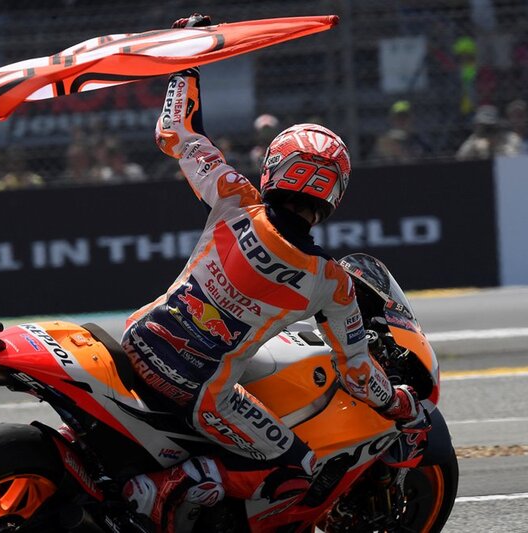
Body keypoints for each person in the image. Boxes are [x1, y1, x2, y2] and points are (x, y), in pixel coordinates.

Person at [120, 14, 428, 532]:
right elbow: (356, 371)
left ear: (274, 168)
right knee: (297, 468)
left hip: (137, 339)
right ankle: (161, 490)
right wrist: (399, 403)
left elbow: (174, 132)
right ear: (333, 194)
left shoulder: (234, 198)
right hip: (196, 391)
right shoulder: (331, 282)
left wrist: (187, 60)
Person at [456, 105, 522, 160]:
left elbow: (515, 161)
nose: (488, 131)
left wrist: (498, 148)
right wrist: (474, 147)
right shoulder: (475, 138)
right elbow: (460, 158)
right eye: (484, 127)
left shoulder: (510, 137)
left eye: (491, 126)